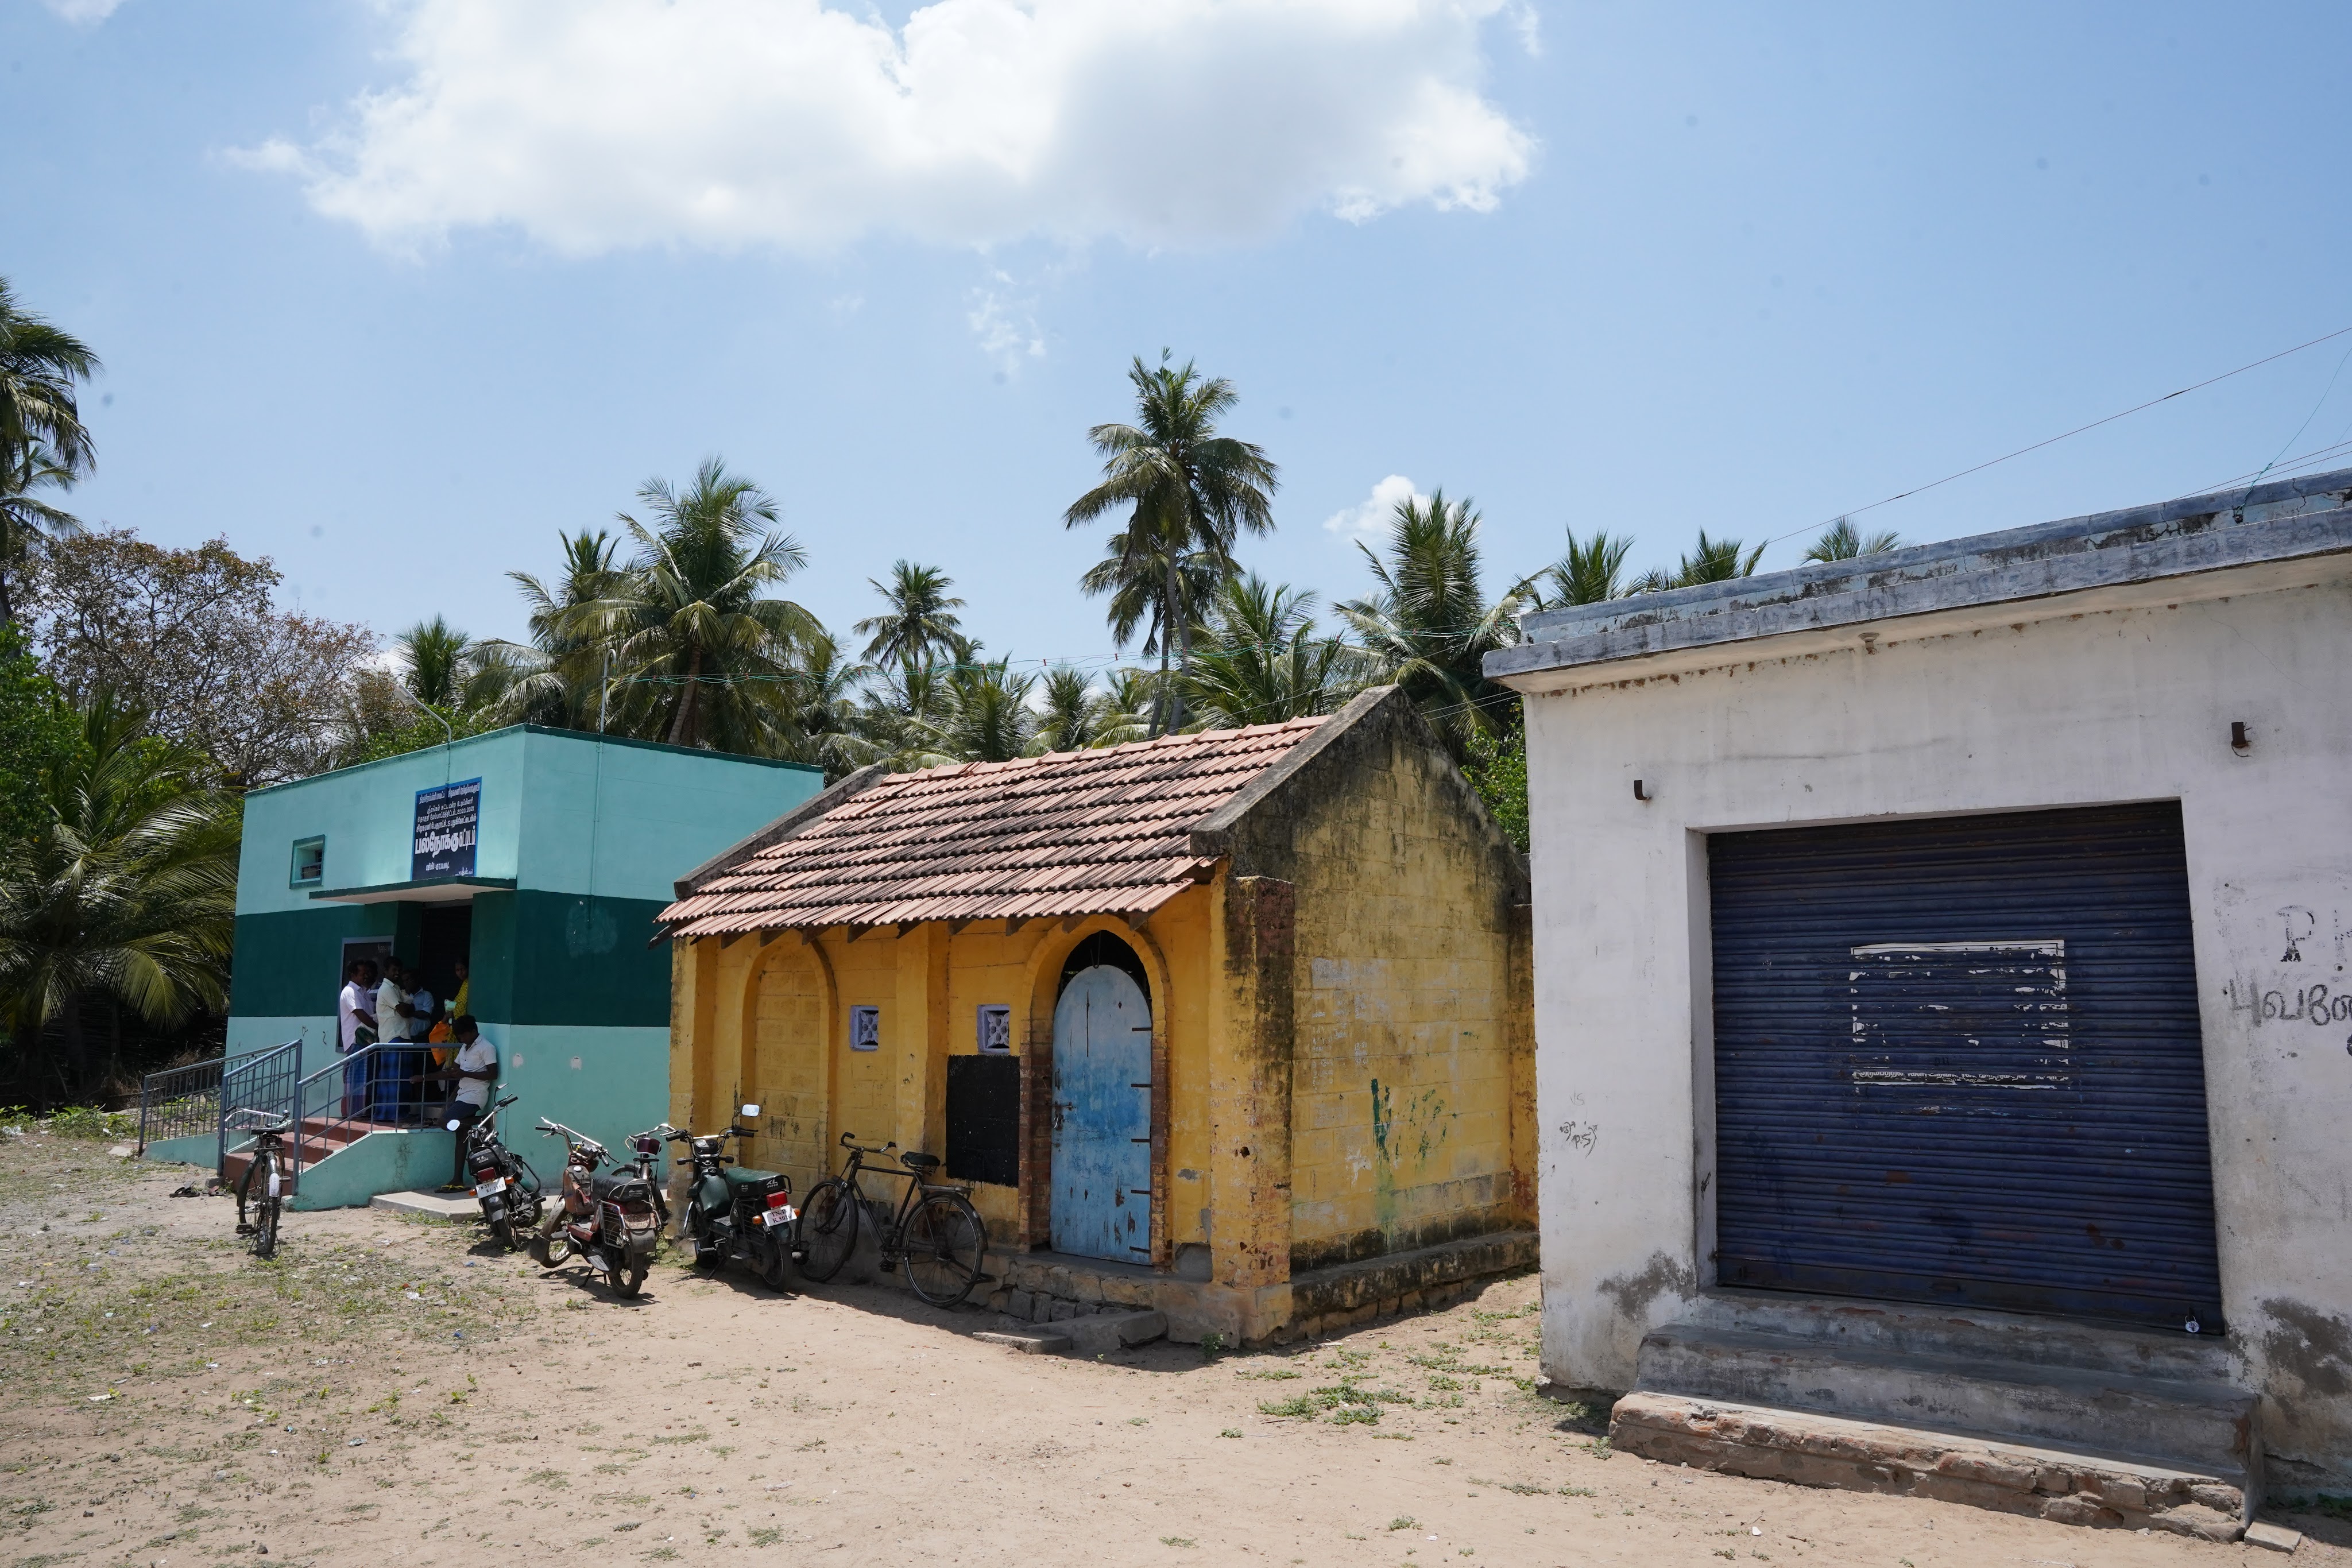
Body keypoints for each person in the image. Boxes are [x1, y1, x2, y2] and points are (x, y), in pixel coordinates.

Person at [412, 1016, 496, 1192]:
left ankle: (482, 1121)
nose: (462, 1039)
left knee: (444, 1122)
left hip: (475, 1096)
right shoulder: (465, 1048)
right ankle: (457, 1180)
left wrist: (464, 1074)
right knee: (461, 1136)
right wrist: (425, 1078)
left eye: (464, 1036)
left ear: (473, 1031)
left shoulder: (487, 1048)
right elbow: (452, 1073)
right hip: (462, 1094)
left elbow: (493, 1074)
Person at [372, 960, 413, 1125]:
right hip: (392, 1037)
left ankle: (399, 1113)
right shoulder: (387, 989)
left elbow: (409, 1008)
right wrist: (409, 1008)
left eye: (399, 970)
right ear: (386, 971)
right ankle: (389, 1114)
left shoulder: (396, 988)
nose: (397, 973)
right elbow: (404, 1011)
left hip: (401, 1036)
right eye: (394, 970)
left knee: (401, 1077)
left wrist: (409, 1008)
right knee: (393, 1078)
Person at [338, 958, 380, 1118]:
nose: (366, 976)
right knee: (356, 1080)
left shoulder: (364, 993)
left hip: (367, 1041)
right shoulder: (349, 992)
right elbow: (362, 1015)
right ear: (353, 974)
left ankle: (364, 1111)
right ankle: (353, 1113)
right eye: (363, 974)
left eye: (367, 973)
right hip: (356, 1042)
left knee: (366, 1079)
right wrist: (379, 1028)